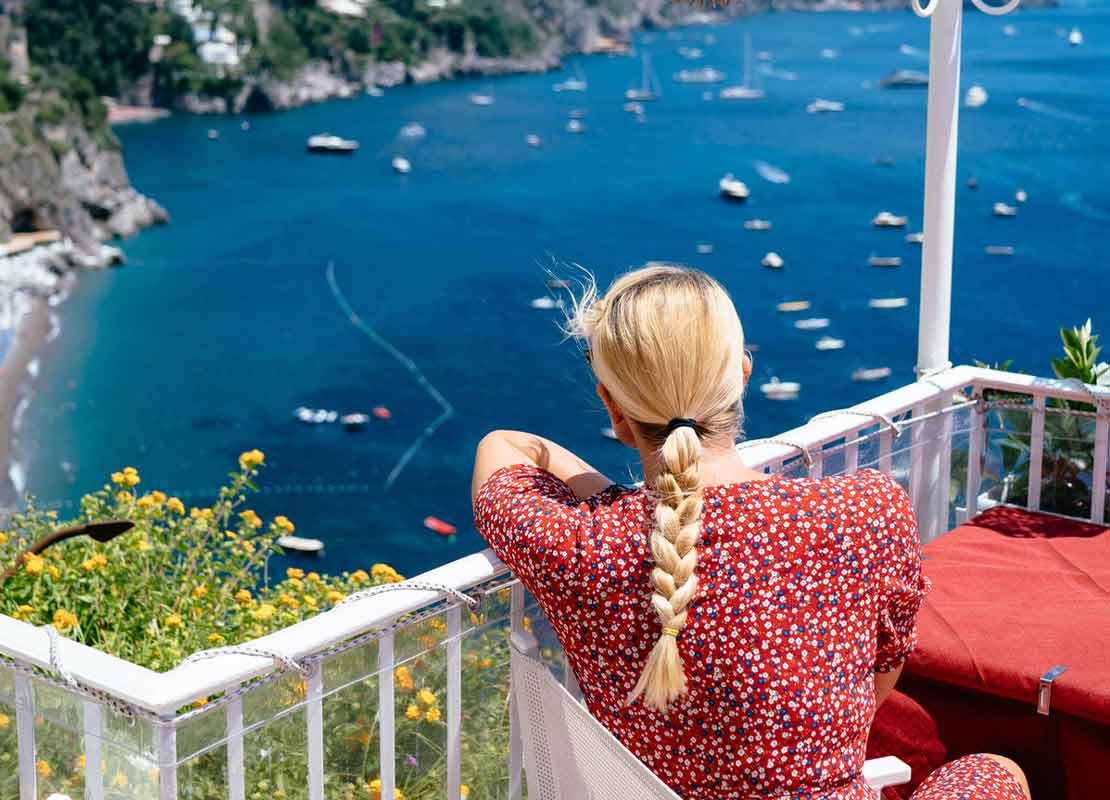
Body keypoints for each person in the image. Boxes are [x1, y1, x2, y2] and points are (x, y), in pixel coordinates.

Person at [471, 265, 1030, 800]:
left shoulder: (579, 547)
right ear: (741, 374)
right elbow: (877, 683)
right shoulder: (868, 512)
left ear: (614, 410)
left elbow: (505, 447)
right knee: (996, 772)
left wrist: (615, 503)